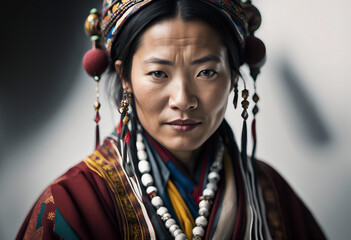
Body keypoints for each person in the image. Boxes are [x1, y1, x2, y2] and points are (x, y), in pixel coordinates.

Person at [16, 0, 326, 239]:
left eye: (206, 72)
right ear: (125, 77)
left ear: (233, 76)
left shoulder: (271, 195)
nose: (183, 100)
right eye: (158, 73)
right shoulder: (73, 205)